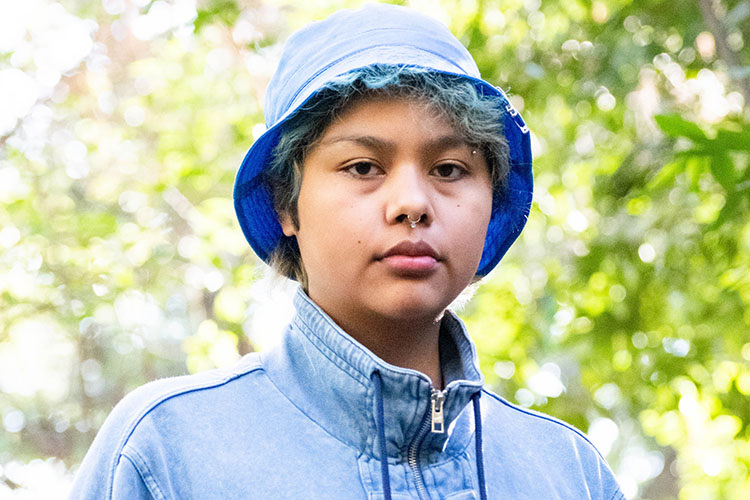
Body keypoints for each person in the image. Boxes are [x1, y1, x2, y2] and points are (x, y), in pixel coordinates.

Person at [69, 4, 626, 500]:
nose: (412, 203)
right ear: (288, 204)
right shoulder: (164, 453)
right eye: (363, 167)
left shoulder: (567, 472)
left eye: (449, 169)